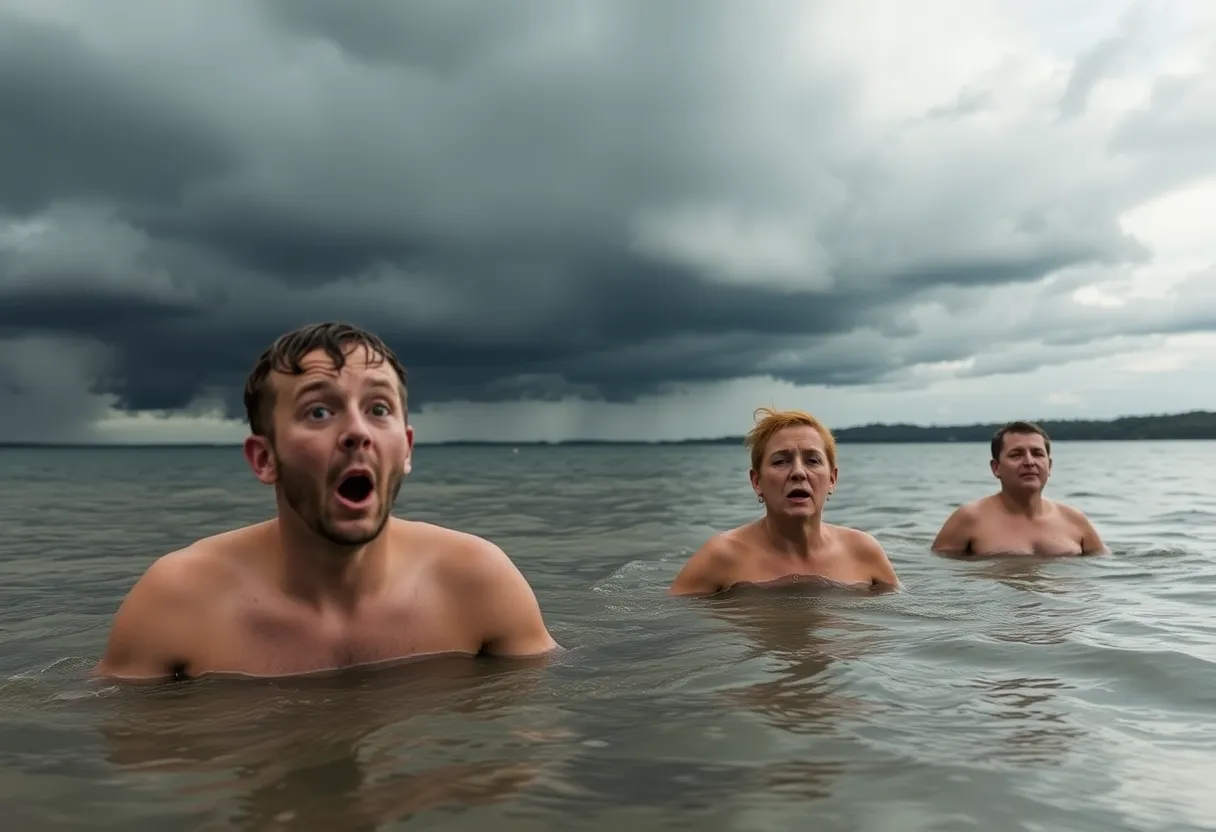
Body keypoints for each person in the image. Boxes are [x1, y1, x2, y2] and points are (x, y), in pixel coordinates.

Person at [93, 322, 559, 682]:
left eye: (379, 409)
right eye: (319, 411)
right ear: (264, 458)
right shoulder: (177, 602)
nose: (357, 431)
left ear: (408, 448)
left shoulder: (477, 582)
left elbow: (537, 760)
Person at [668, 407, 899, 596]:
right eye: (780, 462)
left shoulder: (863, 551)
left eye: (812, 460)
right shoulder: (721, 556)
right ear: (756, 481)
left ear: (832, 479)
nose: (798, 472)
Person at [930, 420, 1107, 557]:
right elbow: (939, 577)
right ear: (996, 468)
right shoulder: (969, 519)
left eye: (1037, 454)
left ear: (1050, 466)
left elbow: (1106, 569)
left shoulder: (1074, 520)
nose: (1029, 462)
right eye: (1016, 454)